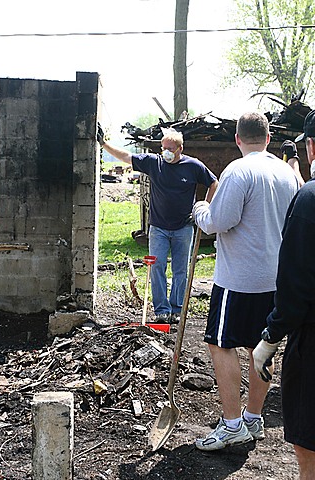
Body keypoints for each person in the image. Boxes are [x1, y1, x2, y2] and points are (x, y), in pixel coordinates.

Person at [191, 111, 299, 451]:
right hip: (277, 280)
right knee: (260, 346)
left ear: (237, 139)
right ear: (268, 139)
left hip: (239, 279)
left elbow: (219, 221)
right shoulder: (287, 173)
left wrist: (199, 211)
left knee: (220, 343)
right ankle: (254, 416)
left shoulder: (238, 171)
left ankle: (233, 423)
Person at [97, 126, 218, 324]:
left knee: (181, 270)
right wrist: (104, 144)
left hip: (184, 228)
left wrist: (205, 206)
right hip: (158, 228)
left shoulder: (193, 166)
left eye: (169, 148)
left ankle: (177, 308)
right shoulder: (155, 163)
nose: (165, 152)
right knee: (157, 267)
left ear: (180, 148)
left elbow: (214, 182)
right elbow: (127, 157)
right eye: (163, 148)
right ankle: (162, 309)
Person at [253, 110, 315, 479]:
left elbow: (295, 285)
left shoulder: (309, 201)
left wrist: (270, 337)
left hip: (312, 342)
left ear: (311, 147)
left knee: (309, 446)